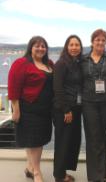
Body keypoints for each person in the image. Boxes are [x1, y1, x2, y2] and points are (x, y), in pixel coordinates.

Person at [8, 36, 54, 182]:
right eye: (37, 46)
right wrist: (16, 109)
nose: (40, 49)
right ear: (31, 48)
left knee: (34, 140)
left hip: (45, 110)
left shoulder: (49, 63)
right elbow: (13, 87)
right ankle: (37, 172)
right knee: (35, 142)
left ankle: (29, 167)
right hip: (28, 109)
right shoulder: (21, 63)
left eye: (43, 46)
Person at [81, 29, 106, 182]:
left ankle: (102, 173)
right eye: (97, 40)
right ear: (92, 41)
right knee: (92, 137)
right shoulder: (83, 59)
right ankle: (95, 176)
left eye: (103, 40)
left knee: (104, 137)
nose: (100, 42)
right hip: (89, 103)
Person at [53, 35, 83, 182]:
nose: (74, 47)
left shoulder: (77, 63)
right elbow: (57, 88)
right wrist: (66, 109)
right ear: (66, 47)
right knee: (62, 142)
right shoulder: (61, 64)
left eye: (77, 45)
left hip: (76, 108)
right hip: (64, 110)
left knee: (71, 141)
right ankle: (59, 176)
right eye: (71, 45)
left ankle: (62, 172)